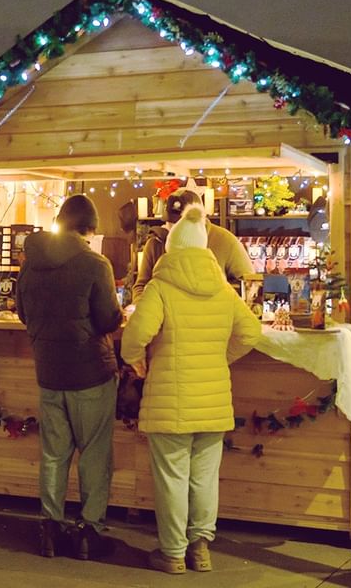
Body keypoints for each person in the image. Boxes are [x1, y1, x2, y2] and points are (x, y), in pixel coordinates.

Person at [121, 205, 262, 574]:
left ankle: (172, 554)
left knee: (172, 478)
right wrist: (221, 357)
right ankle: (199, 549)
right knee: (204, 478)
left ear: (171, 249)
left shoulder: (161, 287)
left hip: (169, 401)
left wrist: (138, 361)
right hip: (213, 400)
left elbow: (134, 336)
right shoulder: (224, 291)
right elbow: (251, 332)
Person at [15, 194, 124, 561]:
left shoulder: (31, 264)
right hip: (91, 373)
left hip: (48, 372)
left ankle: (50, 528)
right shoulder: (96, 264)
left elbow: (21, 313)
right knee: (94, 455)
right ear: (88, 229)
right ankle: (90, 533)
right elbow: (109, 319)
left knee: (53, 455)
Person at [131, 189, 254, 302]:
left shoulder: (225, 241)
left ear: (200, 218)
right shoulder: (155, 243)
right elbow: (141, 286)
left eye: (181, 222)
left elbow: (250, 283)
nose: (174, 228)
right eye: (170, 221)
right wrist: (142, 307)